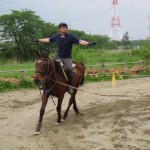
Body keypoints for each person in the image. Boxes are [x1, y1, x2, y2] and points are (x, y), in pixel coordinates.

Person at [33, 22, 97, 94]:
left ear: (67, 29)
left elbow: (80, 41)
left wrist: (88, 43)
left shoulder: (71, 37)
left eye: (65, 28)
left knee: (69, 69)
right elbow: (48, 39)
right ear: (59, 29)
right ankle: (44, 84)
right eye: (62, 28)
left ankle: (70, 86)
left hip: (67, 58)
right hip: (58, 56)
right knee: (48, 66)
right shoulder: (56, 37)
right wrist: (38, 40)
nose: (64, 29)